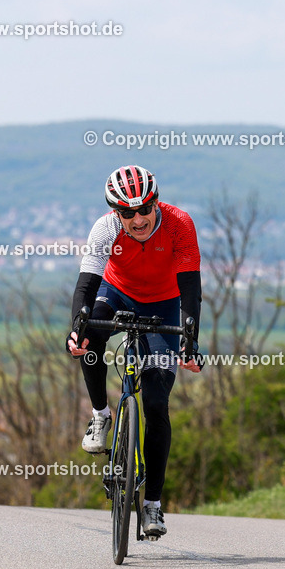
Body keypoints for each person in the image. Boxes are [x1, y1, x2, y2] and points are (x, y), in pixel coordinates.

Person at [67, 165, 202, 537]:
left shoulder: (179, 224)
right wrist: (77, 329)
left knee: (156, 404)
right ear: (116, 212)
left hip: (163, 305)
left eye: (144, 209)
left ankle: (153, 505)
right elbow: (86, 285)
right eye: (128, 213)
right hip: (116, 293)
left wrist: (190, 340)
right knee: (90, 334)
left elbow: (191, 288)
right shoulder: (105, 229)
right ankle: (101, 415)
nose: (138, 219)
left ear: (156, 202)